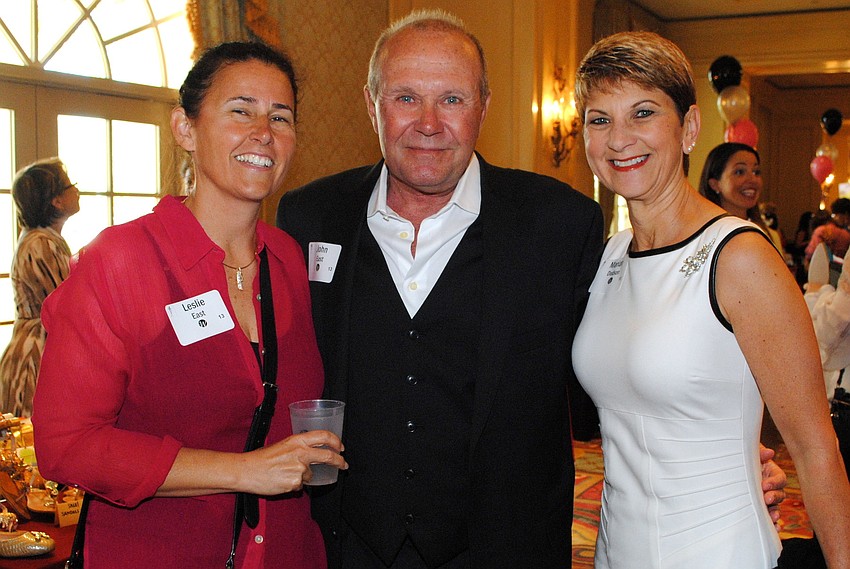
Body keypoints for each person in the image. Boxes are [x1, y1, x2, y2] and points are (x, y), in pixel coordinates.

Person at [277, 10, 786, 569]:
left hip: (508, 547)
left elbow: (612, 371)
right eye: (405, 98)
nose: (428, 123)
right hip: (347, 546)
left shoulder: (560, 224)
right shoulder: (311, 216)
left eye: (452, 99)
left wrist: (725, 456)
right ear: (371, 104)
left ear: (483, 106)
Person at [32, 42, 346, 569]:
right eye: (241, 110)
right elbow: (66, 445)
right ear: (185, 129)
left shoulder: (289, 259)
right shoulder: (121, 262)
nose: (263, 132)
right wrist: (244, 471)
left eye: (280, 117)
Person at [572, 30, 850, 569]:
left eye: (643, 113)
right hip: (614, 550)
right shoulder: (609, 256)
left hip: (720, 552)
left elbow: (816, 449)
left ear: (690, 128)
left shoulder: (740, 257)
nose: (619, 139)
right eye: (599, 119)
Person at [0, 158, 79, 417]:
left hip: (38, 346)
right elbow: (66, 307)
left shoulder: (42, 239)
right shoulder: (42, 243)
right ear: (57, 201)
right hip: (37, 354)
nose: (77, 190)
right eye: (70, 185)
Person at [698, 142, 787, 258]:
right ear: (715, 184)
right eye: (740, 172)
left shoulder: (770, 235)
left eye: (756, 172)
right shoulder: (704, 236)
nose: (752, 179)